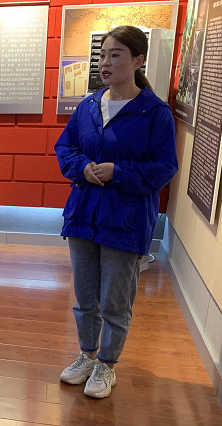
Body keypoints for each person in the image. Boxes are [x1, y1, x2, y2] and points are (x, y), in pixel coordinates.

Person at [54, 25, 178, 399]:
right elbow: (65, 147)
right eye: (102, 55)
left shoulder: (154, 112)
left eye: (116, 55)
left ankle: (107, 365)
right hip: (83, 215)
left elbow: (164, 167)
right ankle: (87, 355)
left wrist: (118, 171)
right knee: (85, 298)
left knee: (115, 301)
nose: (105, 63)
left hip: (125, 220)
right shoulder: (89, 106)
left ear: (138, 60)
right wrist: (83, 167)